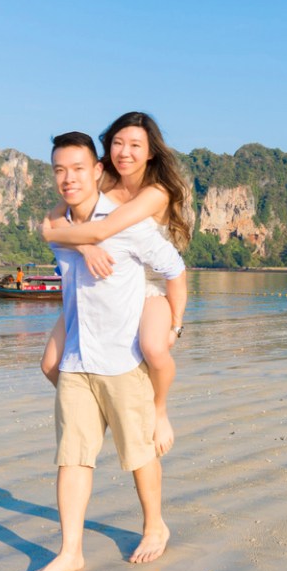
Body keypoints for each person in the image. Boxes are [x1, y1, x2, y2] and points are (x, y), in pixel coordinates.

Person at [24, 131, 188, 571]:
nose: (68, 179)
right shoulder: (61, 232)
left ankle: (155, 524)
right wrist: (80, 243)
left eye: (78, 169)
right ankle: (70, 552)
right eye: (59, 170)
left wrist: (174, 325)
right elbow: (60, 234)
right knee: (72, 457)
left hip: (123, 359)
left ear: (98, 171)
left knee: (139, 453)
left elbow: (175, 270)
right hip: (77, 358)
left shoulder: (128, 223)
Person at [39, 112, 191, 457]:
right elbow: (51, 222)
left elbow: (100, 231)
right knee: (50, 364)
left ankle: (158, 410)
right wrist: (82, 246)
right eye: (118, 143)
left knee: (155, 349)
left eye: (135, 145)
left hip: (147, 281)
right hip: (101, 281)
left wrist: (177, 325)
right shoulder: (101, 177)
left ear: (151, 151)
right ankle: (91, 411)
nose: (125, 152)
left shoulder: (156, 192)